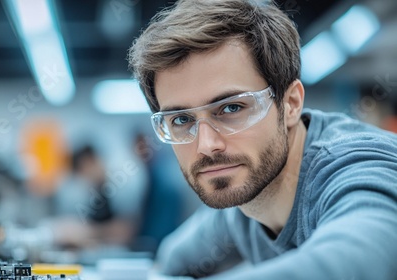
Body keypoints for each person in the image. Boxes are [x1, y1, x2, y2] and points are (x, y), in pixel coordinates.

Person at [127, 0, 397, 279]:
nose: (207, 146)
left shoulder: (358, 166)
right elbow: (173, 258)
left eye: (231, 108)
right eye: (182, 120)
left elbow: (355, 264)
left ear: (291, 104)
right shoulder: (245, 196)